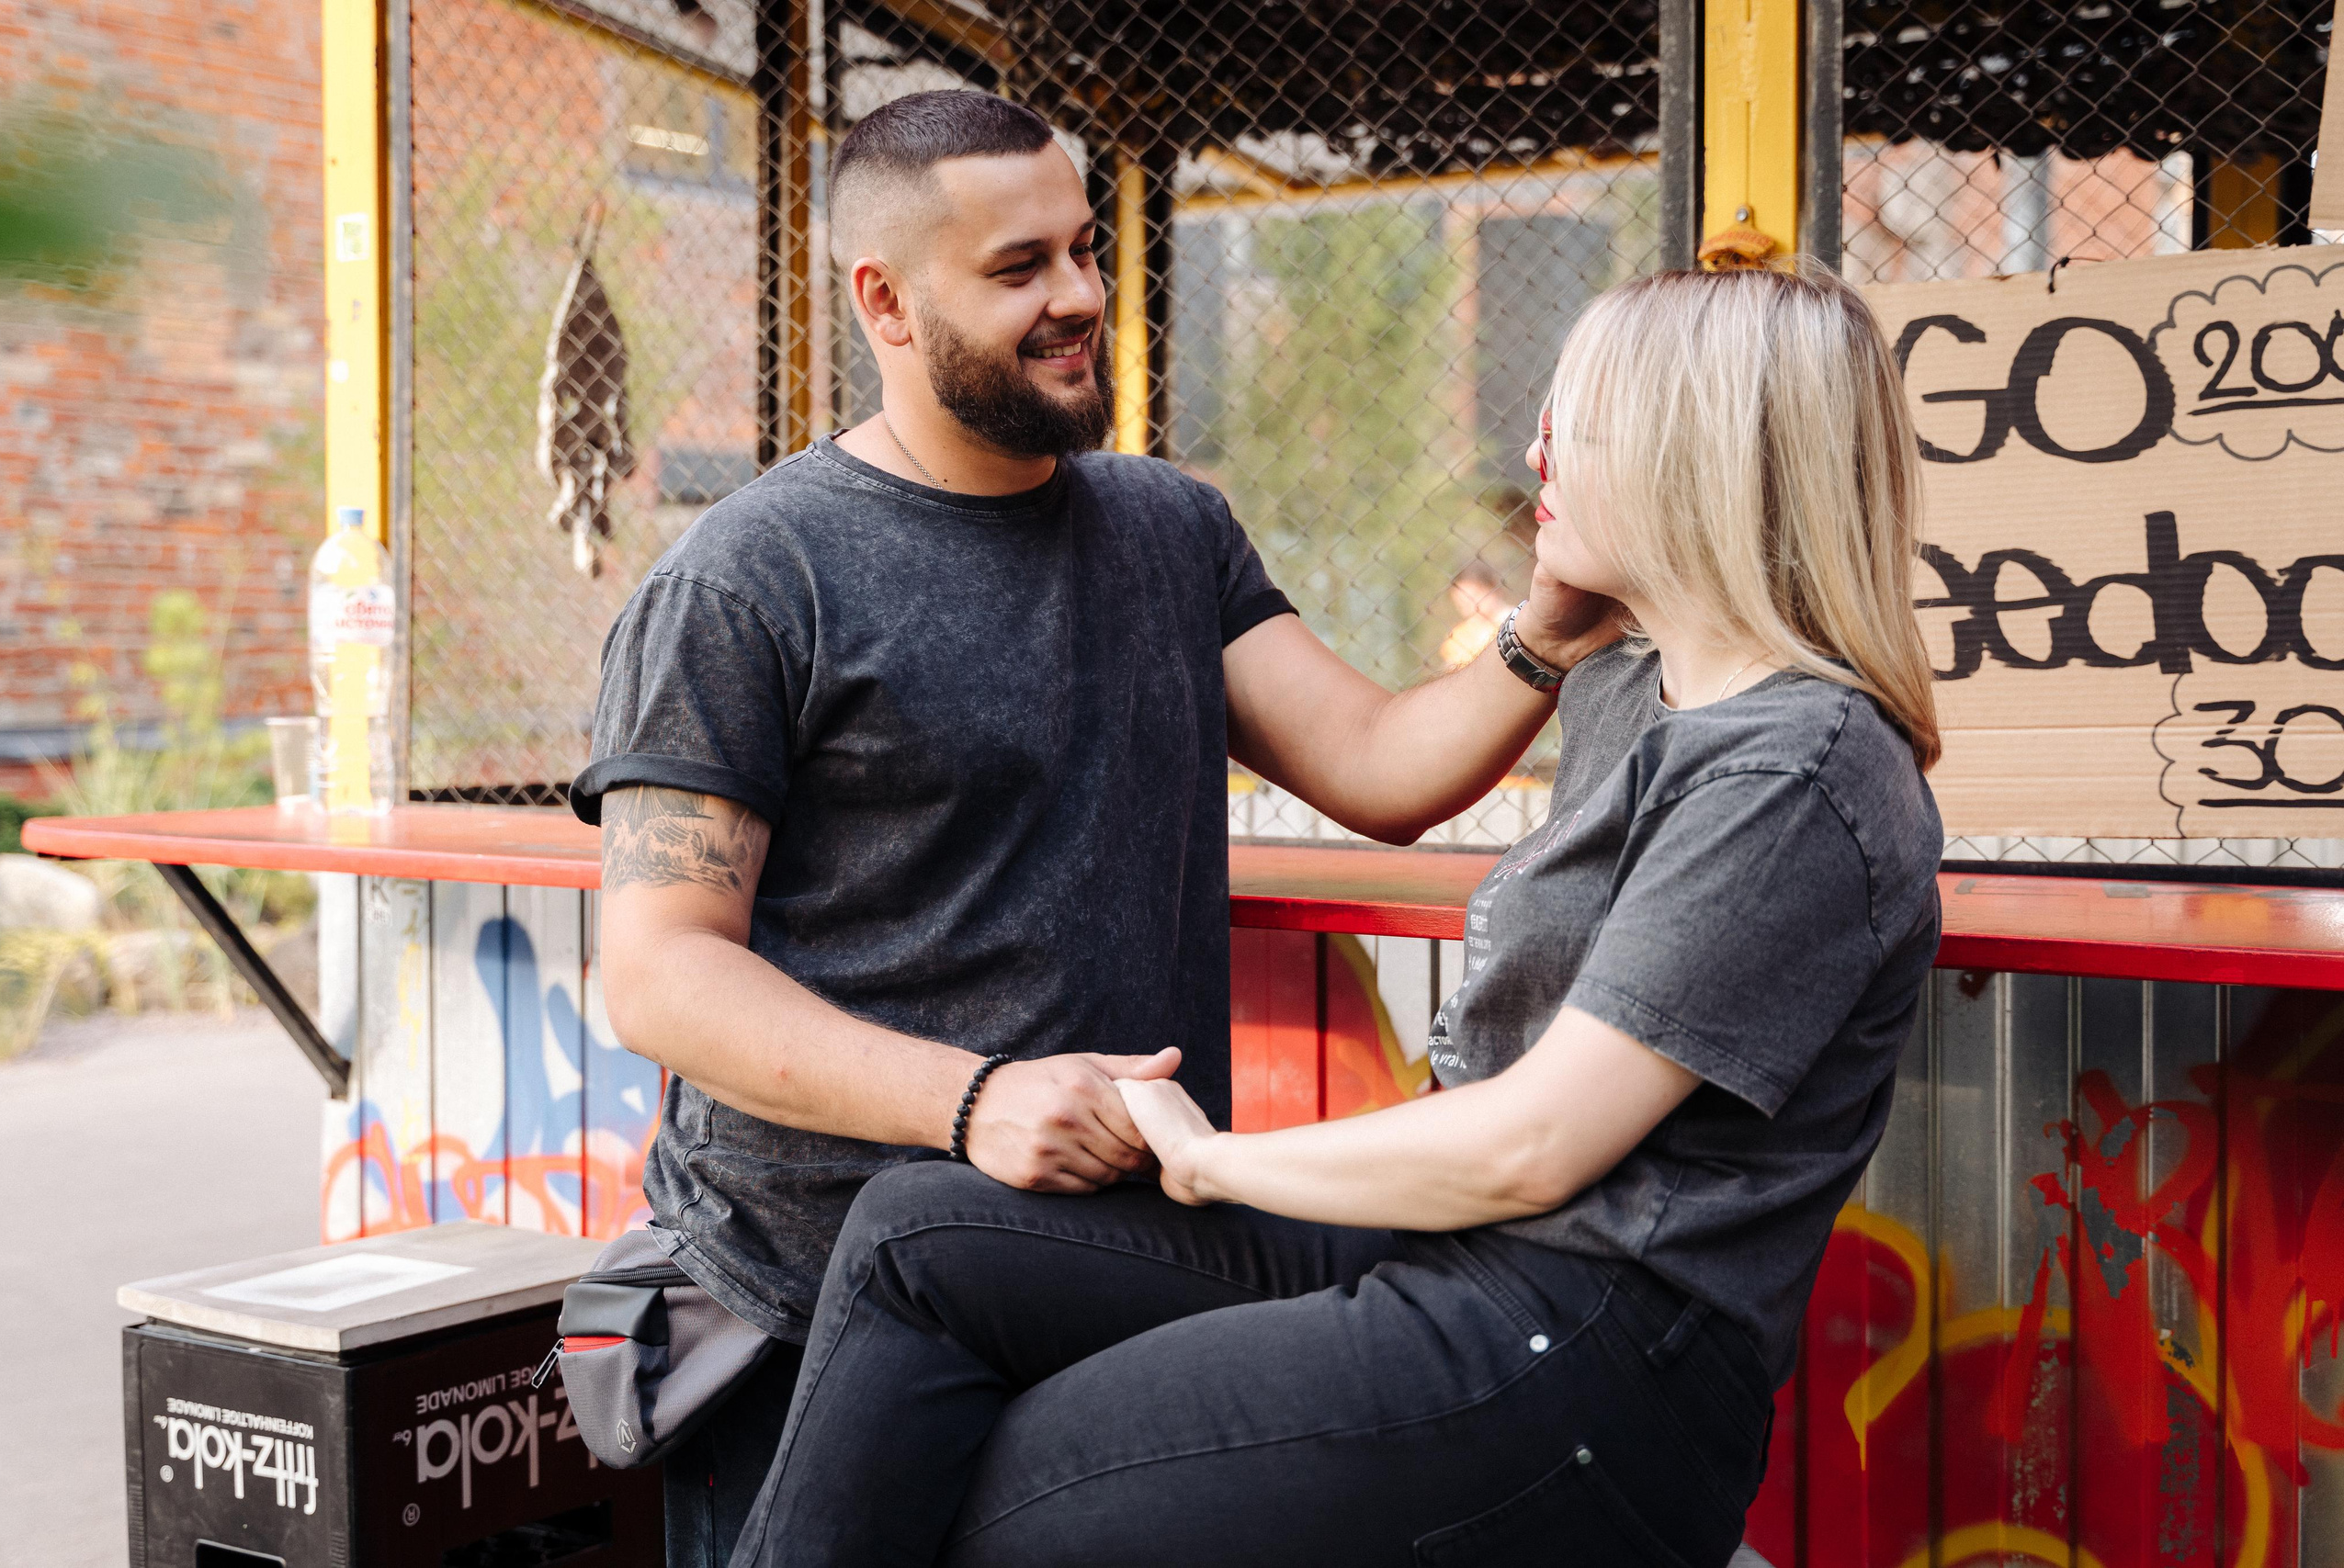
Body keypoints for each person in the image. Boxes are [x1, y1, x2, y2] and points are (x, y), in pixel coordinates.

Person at [730, 261, 1946, 1567]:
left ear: (1691, 453)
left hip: (1587, 1342)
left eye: (1579, 421)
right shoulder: (1633, 694)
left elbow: (1530, 1149)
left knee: (1008, 1501)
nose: (1533, 447)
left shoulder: (1796, 767)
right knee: (921, 1237)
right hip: (1461, 1255)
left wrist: (1208, 1163)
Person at [572, 90, 1619, 1565]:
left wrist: (1545, 633)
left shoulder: (1168, 530)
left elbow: (1382, 767)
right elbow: (661, 974)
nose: (1080, 298)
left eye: (1083, 249)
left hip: (1105, 1273)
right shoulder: (751, 578)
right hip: (804, 1320)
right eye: (1019, 270)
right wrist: (972, 1099)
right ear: (884, 298)